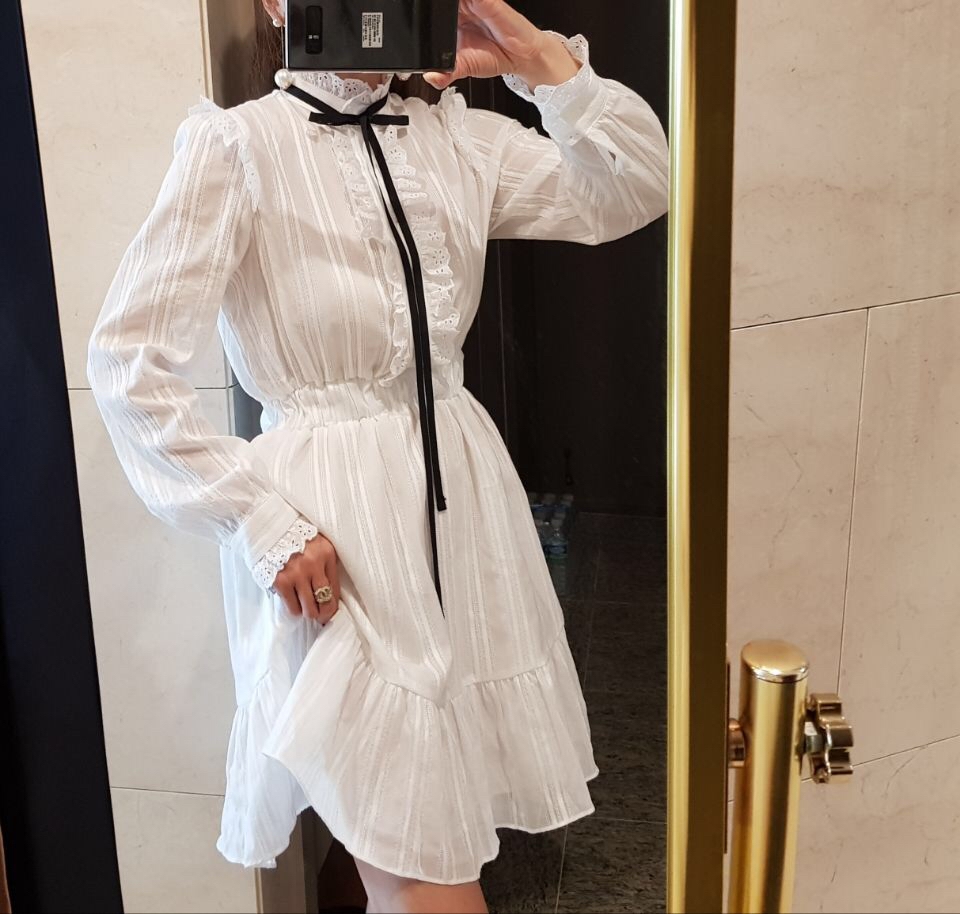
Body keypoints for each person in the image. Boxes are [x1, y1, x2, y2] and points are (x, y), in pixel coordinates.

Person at [87, 0, 668, 911]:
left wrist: (533, 58)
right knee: (422, 870)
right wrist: (260, 522)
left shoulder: (456, 140)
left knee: (438, 838)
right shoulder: (239, 148)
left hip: (462, 510)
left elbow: (635, 186)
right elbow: (127, 362)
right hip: (333, 537)